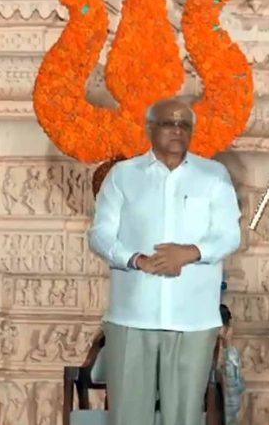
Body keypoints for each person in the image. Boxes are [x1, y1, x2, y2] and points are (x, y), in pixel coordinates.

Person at [89, 97, 241, 425]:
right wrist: (135, 259)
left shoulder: (214, 176)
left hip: (193, 319)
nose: (177, 130)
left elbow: (229, 235)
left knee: (184, 417)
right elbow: (100, 235)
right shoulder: (123, 175)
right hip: (132, 316)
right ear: (149, 128)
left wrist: (189, 253)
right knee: (128, 417)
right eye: (169, 123)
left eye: (184, 125)